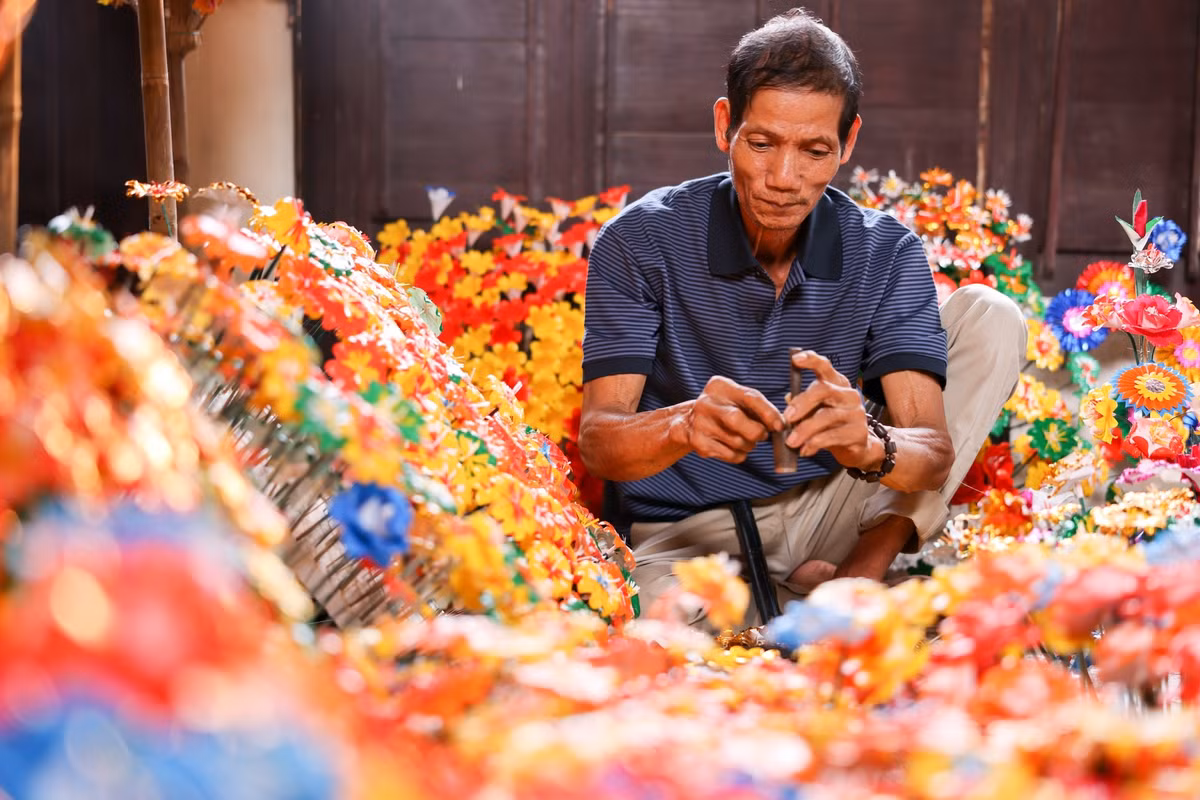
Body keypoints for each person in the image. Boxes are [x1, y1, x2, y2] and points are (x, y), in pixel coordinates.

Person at [578, 7, 1025, 626]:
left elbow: (931, 451)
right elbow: (599, 442)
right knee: (671, 652)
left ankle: (856, 576)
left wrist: (872, 444)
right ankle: (807, 600)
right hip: (688, 539)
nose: (783, 179)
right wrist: (682, 425)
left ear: (848, 142)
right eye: (762, 144)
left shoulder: (885, 250)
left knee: (991, 315)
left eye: (815, 150)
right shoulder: (640, 241)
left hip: (828, 510)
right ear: (725, 125)